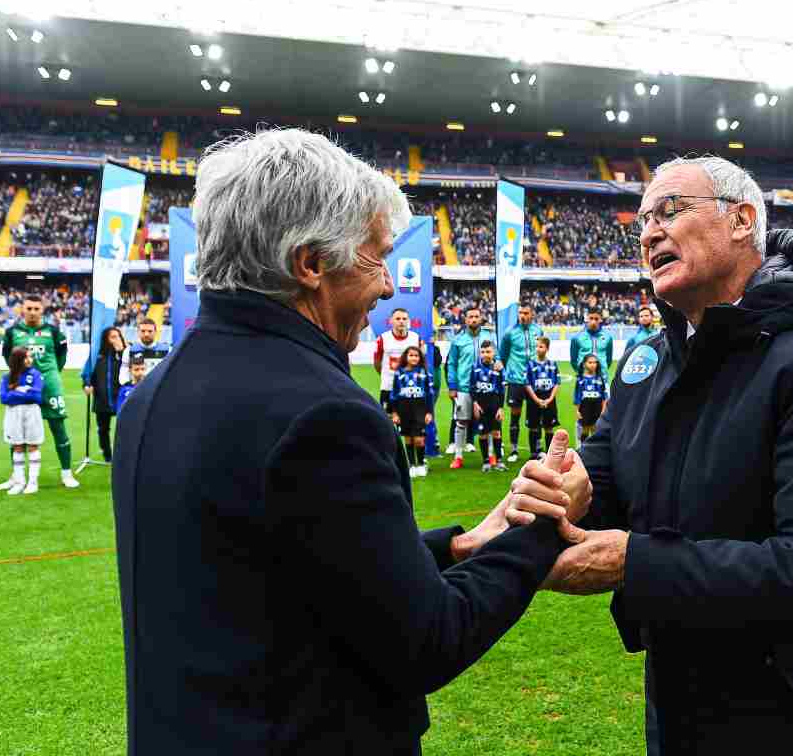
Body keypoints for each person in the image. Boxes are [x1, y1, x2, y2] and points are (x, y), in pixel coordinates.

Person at [110, 129, 582, 756]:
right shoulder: (322, 413)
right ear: (310, 264)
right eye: (374, 258)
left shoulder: (154, 393)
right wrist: (544, 527)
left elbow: (297, 570)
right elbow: (427, 640)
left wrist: (466, 544)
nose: (388, 287)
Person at [507, 156, 793, 755]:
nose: (649, 231)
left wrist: (634, 564)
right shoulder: (646, 365)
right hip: (677, 712)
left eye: (669, 210)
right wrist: (566, 492)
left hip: (792, 723)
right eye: (641, 221)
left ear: (741, 221)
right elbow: (602, 487)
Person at [1, 295, 77, 488]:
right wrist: (19, 375)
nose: (33, 312)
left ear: (42, 310)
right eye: (29, 308)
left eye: (36, 308)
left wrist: (49, 374)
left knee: (58, 427)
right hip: (21, 386)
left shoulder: (53, 331)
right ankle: (16, 477)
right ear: (22, 310)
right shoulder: (12, 332)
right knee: (17, 432)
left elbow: (62, 357)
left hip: (50, 386)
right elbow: (8, 357)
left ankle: (66, 473)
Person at [446, 307, 493, 466]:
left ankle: (491, 455)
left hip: (486, 387)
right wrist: (452, 385)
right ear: (465, 320)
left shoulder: (489, 337)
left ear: (481, 318)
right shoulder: (458, 340)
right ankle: (458, 456)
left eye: (476, 316)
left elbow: (497, 358)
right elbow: (451, 364)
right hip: (464, 387)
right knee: (462, 421)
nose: (473, 319)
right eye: (470, 317)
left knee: (489, 421)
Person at [498, 304, 543, 463]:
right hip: (515, 379)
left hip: (533, 380)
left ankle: (536, 450)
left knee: (535, 416)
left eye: (526, 312)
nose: (522, 315)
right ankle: (514, 449)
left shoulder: (538, 331)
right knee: (515, 415)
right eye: (520, 313)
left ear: (532, 314)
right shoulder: (510, 332)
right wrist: (504, 372)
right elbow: (502, 355)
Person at [0, 346, 45, 496]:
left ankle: (33, 482)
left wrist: (16, 391)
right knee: (17, 446)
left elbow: (37, 397)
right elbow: (4, 398)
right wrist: (26, 391)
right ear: (18, 359)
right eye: (26, 357)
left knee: (33, 446)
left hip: (32, 412)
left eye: (30, 356)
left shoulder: (36, 374)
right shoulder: (7, 377)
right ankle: (19, 482)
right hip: (13, 414)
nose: (29, 360)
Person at [81, 327, 126, 463]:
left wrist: (122, 352)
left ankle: (123, 455)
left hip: (121, 398)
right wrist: (86, 385)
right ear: (105, 339)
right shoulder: (97, 357)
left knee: (124, 428)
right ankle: (108, 456)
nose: (116, 339)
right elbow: (89, 375)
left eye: (118, 336)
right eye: (112, 337)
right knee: (103, 429)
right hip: (102, 399)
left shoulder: (124, 355)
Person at [569, 308, 613, 442]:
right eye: (591, 318)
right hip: (584, 380)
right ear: (586, 319)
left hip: (602, 380)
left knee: (602, 413)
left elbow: (609, 358)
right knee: (582, 414)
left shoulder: (608, 337)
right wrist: (583, 374)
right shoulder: (577, 338)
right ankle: (580, 445)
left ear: (600, 320)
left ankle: (598, 445)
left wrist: (600, 372)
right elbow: (573, 359)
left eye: (596, 319)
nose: (593, 322)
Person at [392, 345, 434, 477]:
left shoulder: (424, 373)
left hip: (420, 408)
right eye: (411, 355)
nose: (414, 358)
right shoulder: (399, 373)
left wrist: (429, 412)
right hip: (404, 408)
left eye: (416, 355)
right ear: (406, 357)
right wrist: (394, 412)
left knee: (419, 439)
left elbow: (429, 394)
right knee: (408, 439)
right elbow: (394, 393)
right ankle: (411, 465)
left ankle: (421, 464)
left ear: (420, 358)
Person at [373, 308, 420, 416]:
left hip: (409, 388)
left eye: (404, 318)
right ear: (391, 321)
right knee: (388, 422)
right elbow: (377, 362)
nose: (401, 321)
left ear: (408, 321)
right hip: (388, 387)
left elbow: (420, 363)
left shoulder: (415, 338)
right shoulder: (383, 339)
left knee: (408, 424)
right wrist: (386, 375)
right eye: (398, 318)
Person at [470, 340, 507, 473]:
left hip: (494, 404)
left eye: (488, 351)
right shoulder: (475, 368)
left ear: (494, 353)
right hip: (480, 405)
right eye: (483, 352)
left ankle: (499, 460)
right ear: (480, 353)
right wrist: (474, 403)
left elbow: (502, 390)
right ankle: (486, 461)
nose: (486, 354)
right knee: (483, 434)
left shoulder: (498, 368)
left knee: (496, 432)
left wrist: (501, 408)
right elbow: (472, 387)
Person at [524, 336, 560, 460]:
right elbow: (527, 384)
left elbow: (557, 383)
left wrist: (550, 399)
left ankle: (550, 454)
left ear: (547, 348)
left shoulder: (553, 365)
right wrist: (536, 399)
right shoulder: (530, 364)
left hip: (548, 397)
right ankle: (534, 453)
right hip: (534, 398)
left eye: (541, 346)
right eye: (537, 347)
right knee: (534, 426)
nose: (538, 349)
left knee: (549, 427)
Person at [118, 317, 170, 384]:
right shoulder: (129, 350)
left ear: (156, 332)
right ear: (138, 332)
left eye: (150, 331)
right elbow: (123, 375)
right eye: (143, 331)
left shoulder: (167, 350)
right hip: (137, 390)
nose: (146, 334)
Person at [573, 353, 607, 442]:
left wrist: (603, 410)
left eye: (595, 363)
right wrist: (577, 410)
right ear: (584, 364)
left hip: (597, 408)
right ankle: (583, 449)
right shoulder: (580, 379)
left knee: (595, 429)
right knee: (585, 429)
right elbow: (577, 396)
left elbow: (604, 396)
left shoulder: (600, 378)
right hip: (585, 408)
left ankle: (594, 451)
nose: (593, 365)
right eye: (590, 362)